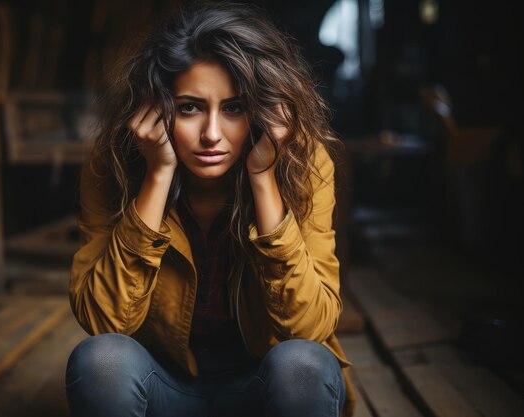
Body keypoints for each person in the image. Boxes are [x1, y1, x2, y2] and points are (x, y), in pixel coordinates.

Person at [66, 2, 355, 416]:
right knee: (101, 361)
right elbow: (102, 322)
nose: (212, 134)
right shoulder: (110, 168)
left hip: (261, 391)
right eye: (189, 107)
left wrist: (264, 179)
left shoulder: (304, 166)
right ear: (156, 107)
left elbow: (310, 329)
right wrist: (156, 177)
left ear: (260, 109)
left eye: (234, 108)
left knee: (304, 366)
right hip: (163, 391)